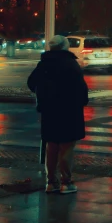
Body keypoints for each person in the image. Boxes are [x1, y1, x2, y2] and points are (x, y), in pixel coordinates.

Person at [27, 35, 88, 194]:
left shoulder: (44, 64)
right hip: (69, 111)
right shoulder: (70, 64)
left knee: (52, 146)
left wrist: (44, 94)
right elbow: (81, 89)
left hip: (49, 111)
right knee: (66, 147)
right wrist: (81, 101)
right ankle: (66, 182)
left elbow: (31, 82)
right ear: (64, 47)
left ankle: (51, 182)